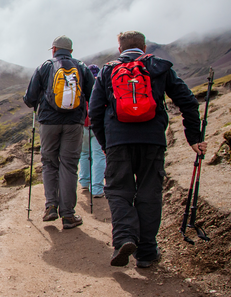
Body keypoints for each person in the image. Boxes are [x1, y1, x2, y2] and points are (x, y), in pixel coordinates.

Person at [89, 31, 206, 268]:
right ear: (144, 47)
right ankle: (146, 252)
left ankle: (124, 238)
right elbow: (188, 101)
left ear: (120, 49)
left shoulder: (108, 70)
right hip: (152, 140)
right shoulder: (159, 67)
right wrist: (194, 137)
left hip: (118, 141)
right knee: (149, 193)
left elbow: (95, 111)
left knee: (119, 192)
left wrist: (105, 143)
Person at [23, 35, 94, 229]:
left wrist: (36, 100)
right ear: (70, 51)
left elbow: (29, 98)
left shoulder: (44, 67)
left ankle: (51, 207)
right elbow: (93, 94)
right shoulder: (81, 67)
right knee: (69, 166)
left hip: (49, 123)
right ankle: (68, 215)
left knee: (49, 164)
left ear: (53, 49)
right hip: (74, 123)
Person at [79, 64, 106, 198]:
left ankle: (84, 181)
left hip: (82, 124)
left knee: (84, 153)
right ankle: (97, 188)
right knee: (98, 155)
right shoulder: (101, 86)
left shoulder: (82, 85)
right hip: (97, 125)